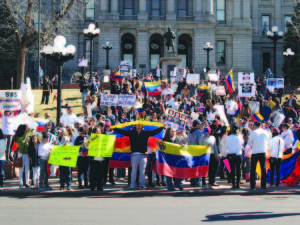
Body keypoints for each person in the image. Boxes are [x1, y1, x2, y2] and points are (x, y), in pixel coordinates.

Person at [112, 123, 164, 190]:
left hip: (143, 155)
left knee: (142, 171)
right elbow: (122, 132)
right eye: (137, 125)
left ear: (142, 126)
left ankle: (142, 184)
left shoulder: (145, 133)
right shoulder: (131, 132)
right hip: (134, 154)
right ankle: (132, 184)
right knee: (134, 170)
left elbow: (154, 132)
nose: (139, 127)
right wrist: (114, 128)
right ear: (135, 126)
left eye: (140, 125)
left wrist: (161, 128)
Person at [245, 121, 269, 190]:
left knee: (253, 169)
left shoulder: (253, 133)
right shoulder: (266, 132)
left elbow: (249, 144)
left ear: (255, 126)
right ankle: (263, 185)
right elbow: (267, 142)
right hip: (263, 152)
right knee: (263, 169)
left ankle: (253, 185)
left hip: (255, 152)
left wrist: (247, 151)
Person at [226, 122, 244, 189]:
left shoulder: (228, 137)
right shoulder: (240, 137)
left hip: (231, 154)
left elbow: (227, 146)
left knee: (232, 170)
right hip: (238, 154)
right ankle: (238, 184)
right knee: (238, 170)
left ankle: (233, 184)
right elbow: (242, 145)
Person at [188, 120, 203, 187]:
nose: (200, 125)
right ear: (197, 125)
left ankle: (192, 182)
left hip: (191, 151)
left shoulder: (189, 132)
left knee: (192, 167)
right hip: (197, 152)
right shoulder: (199, 133)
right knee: (197, 167)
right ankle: (197, 182)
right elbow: (200, 143)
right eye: (199, 124)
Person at [89, 126, 104, 191]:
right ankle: (92, 186)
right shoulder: (91, 139)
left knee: (100, 174)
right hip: (94, 159)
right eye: (97, 131)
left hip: (101, 159)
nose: (98, 133)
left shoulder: (104, 139)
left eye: (99, 131)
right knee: (93, 173)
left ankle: (99, 186)